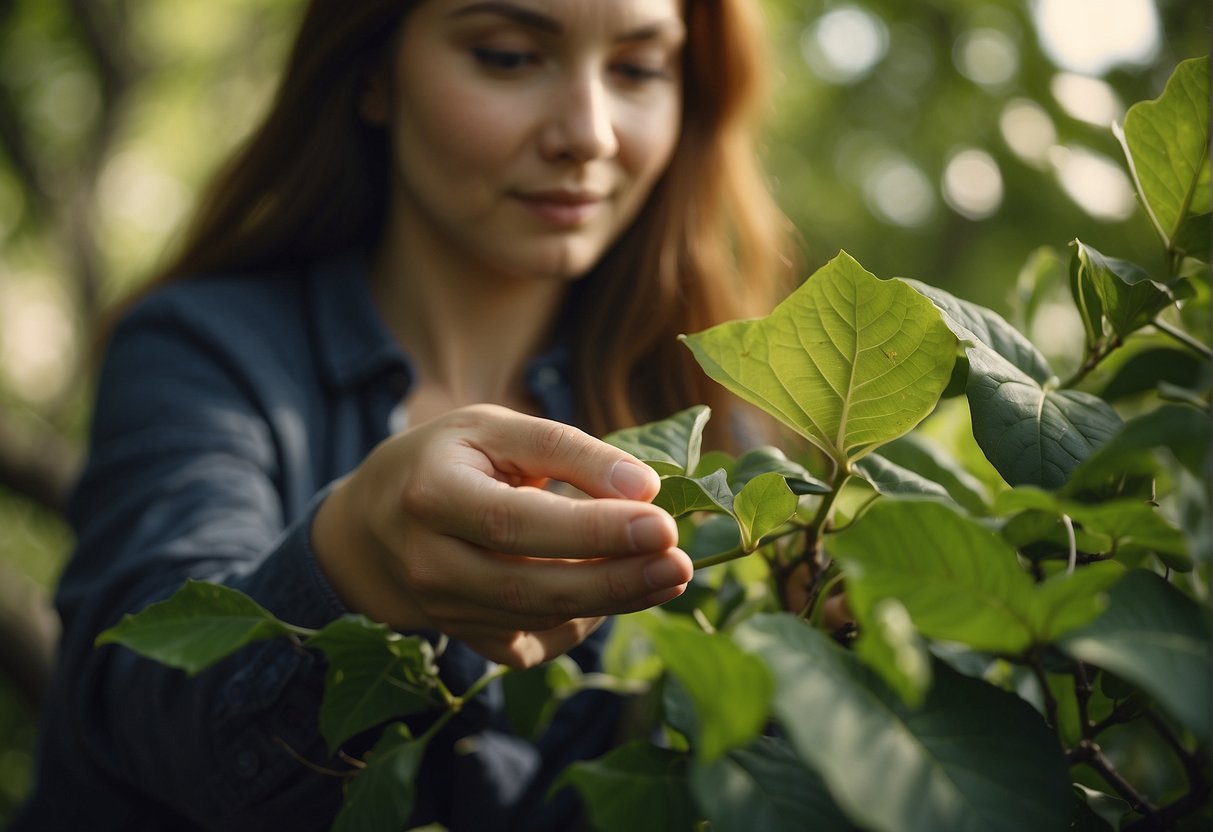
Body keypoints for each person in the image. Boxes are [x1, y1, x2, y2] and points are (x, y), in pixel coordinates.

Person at [14, 0, 793, 829]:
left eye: (637, 69)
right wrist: (350, 563)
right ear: (374, 71)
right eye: (506, 56)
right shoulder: (198, 351)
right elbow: (147, 703)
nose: (590, 134)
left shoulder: (712, 429)